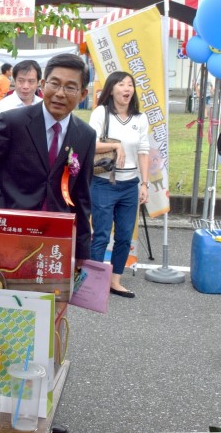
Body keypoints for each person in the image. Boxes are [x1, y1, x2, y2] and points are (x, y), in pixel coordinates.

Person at [0, 53, 95, 266]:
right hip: (10, 229)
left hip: (55, 239)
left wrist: (81, 252)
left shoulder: (86, 135)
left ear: (82, 94)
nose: (60, 93)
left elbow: (81, 196)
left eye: (70, 87)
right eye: (55, 84)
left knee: (47, 287)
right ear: (43, 85)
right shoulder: (12, 122)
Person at [88, 71, 150, 298]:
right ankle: (94, 283)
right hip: (103, 183)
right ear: (111, 89)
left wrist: (144, 184)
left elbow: (143, 151)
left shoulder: (140, 118)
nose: (127, 89)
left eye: (130, 85)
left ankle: (115, 281)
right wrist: (116, 146)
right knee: (101, 235)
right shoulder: (101, 113)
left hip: (130, 185)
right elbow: (91, 144)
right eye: (121, 84)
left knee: (124, 236)